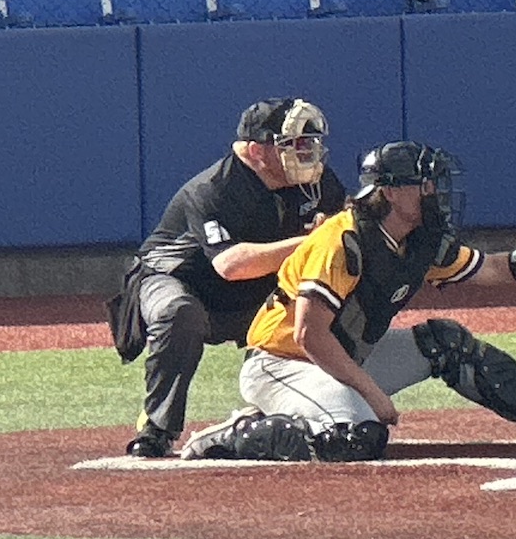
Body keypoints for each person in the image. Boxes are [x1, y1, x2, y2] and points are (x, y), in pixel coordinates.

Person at [176, 142, 516, 463]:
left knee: (444, 342)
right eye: (424, 184)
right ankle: (238, 434)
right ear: (390, 192)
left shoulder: (418, 241)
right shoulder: (343, 238)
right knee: (357, 436)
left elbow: (494, 268)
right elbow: (308, 334)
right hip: (283, 361)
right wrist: (371, 394)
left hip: (342, 357)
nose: (434, 192)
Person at [106, 98, 348, 458]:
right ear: (256, 151)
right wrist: (313, 240)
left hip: (254, 288)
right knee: (178, 312)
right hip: (178, 278)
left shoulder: (319, 182)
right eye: (294, 144)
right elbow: (231, 265)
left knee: (320, 305)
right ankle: (157, 427)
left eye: (310, 142)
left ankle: (298, 409)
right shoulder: (212, 188)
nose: (307, 152)